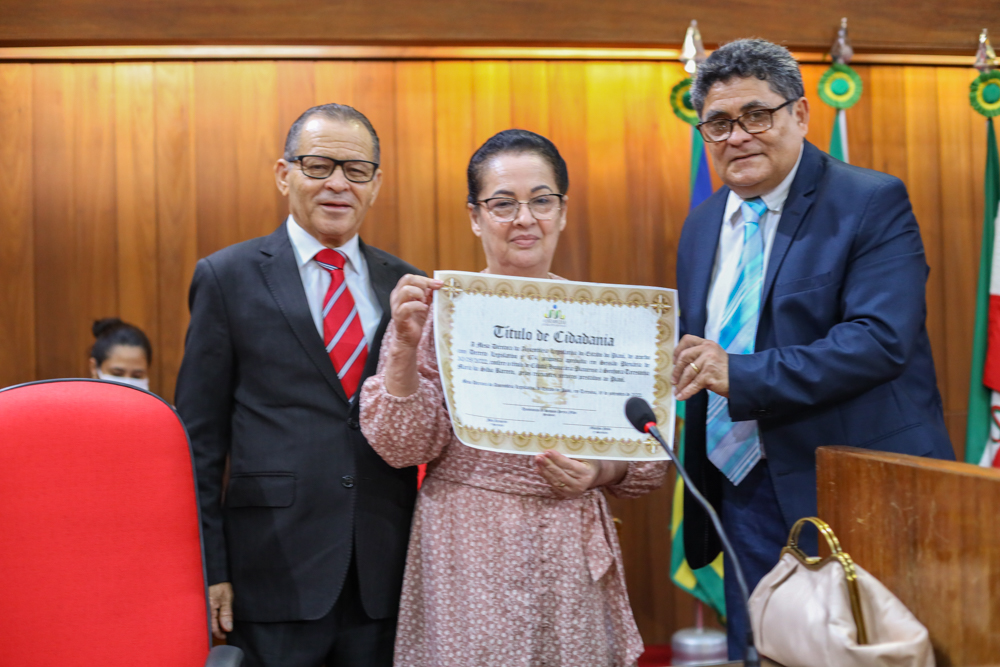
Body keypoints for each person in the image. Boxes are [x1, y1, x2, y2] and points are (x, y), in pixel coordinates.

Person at [670, 38, 955, 658]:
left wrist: (737, 374)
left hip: (853, 482)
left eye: (756, 115)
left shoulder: (869, 201)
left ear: (799, 114)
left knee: (862, 650)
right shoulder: (701, 223)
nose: (737, 136)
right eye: (718, 123)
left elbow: (879, 341)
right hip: (739, 484)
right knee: (762, 646)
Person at [360, 129, 667, 667]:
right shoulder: (433, 313)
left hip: (569, 544)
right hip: (469, 541)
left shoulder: (610, 321)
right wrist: (405, 351)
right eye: (503, 203)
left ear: (563, 211)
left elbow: (648, 461)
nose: (524, 219)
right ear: (476, 216)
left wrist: (601, 472)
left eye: (541, 201)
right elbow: (403, 446)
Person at [175, 103, 424, 667]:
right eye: (318, 165)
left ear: (376, 184)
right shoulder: (228, 277)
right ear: (284, 174)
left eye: (356, 170)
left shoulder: (405, 283)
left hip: (381, 573)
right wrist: (210, 571)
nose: (338, 183)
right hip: (271, 571)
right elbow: (199, 442)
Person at [88, 317, 152, 391]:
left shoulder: (159, 403)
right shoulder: (77, 402)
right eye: (117, 374)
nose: (128, 383)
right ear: (94, 368)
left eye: (137, 376)